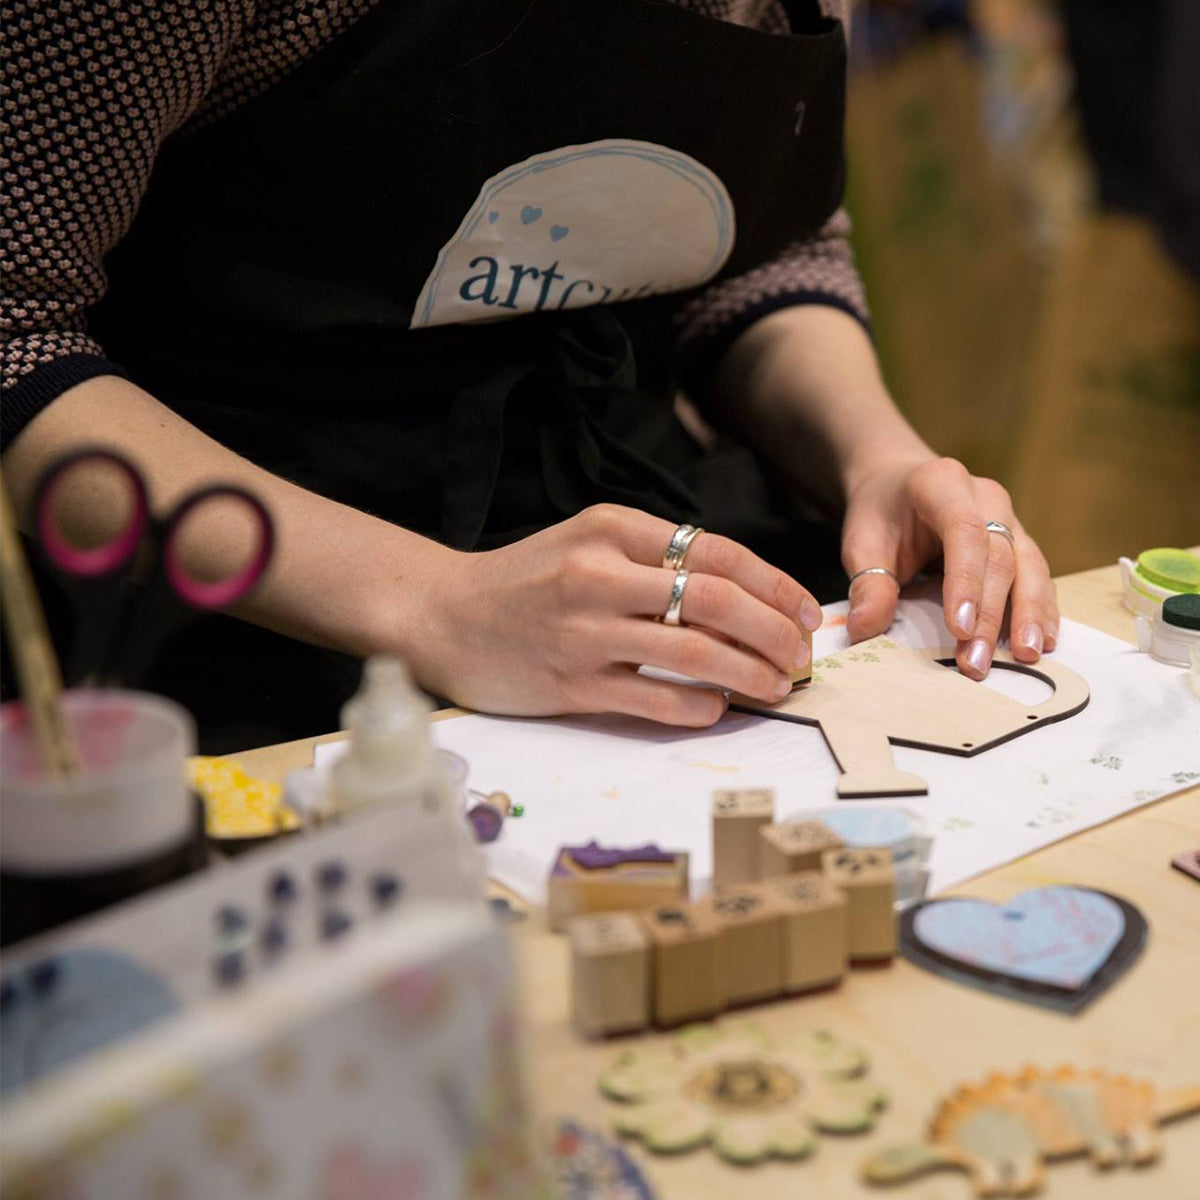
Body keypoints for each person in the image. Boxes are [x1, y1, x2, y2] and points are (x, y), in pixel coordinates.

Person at [0, 0, 1058, 752]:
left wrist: (876, 457)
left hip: (635, 567)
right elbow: (15, 330)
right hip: (211, 626)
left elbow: (755, 245)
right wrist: (437, 605)